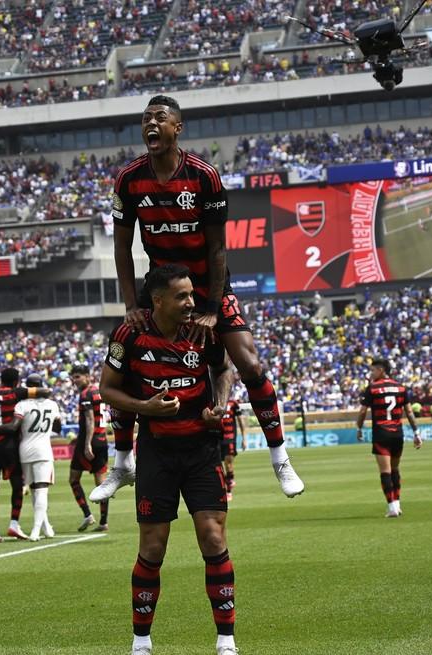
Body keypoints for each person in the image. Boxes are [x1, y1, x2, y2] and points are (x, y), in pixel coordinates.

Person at [100, 94, 303, 504]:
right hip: (159, 287)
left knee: (249, 363)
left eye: (160, 118)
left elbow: (217, 249)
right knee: (124, 363)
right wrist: (131, 305)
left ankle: (280, 457)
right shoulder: (128, 180)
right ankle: (122, 462)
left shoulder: (204, 176)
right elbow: (122, 248)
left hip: (209, 286)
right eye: (145, 119)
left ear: (178, 128)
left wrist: (211, 308)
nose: (151, 124)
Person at [99, 264, 238, 655]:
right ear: (157, 300)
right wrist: (146, 406)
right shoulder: (128, 335)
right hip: (157, 452)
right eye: (182, 296)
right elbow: (107, 390)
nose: (191, 302)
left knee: (213, 537)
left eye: (192, 294)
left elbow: (223, 370)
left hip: (201, 448)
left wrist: (219, 405)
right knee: (153, 547)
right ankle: (141, 642)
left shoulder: (204, 331)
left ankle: (226, 640)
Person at [0, 367, 45, 542]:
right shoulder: (16, 393)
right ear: (16, 382)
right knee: (17, 484)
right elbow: (45, 391)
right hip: (9, 446)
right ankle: (14, 523)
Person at [356, 359, 421, 518]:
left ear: (381, 370)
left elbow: (363, 411)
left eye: (373, 371)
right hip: (397, 434)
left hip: (381, 433)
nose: (371, 374)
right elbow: (409, 412)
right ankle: (397, 504)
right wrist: (416, 432)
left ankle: (392, 507)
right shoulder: (400, 387)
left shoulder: (372, 389)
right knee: (395, 470)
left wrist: (359, 428)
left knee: (385, 472)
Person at [15, 374, 61, 541]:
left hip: (25, 449)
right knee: (41, 491)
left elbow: (16, 428)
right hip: (43, 449)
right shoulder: (52, 404)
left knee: (34, 490)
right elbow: (58, 427)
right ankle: (35, 531)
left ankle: (46, 528)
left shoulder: (21, 405)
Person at [69, 364, 110, 532]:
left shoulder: (85, 394)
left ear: (87, 376)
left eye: (78, 376)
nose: (75, 380)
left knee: (73, 479)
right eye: (73, 377)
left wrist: (86, 444)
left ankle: (87, 514)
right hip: (102, 439)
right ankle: (103, 522)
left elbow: (90, 420)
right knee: (101, 484)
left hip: (89, 441)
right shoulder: (99, 391)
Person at [220, 390, 246, 500]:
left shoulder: (233, 403)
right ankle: (227, 483)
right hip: (217, 438)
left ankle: (229, 491)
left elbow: (240, 421)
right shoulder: (214, 403)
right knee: (219, 467)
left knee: (228, 464)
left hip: (230, 438)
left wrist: (244, 438)